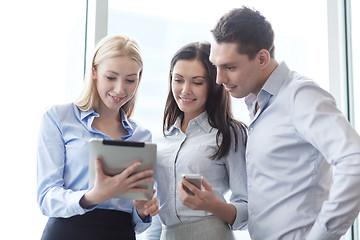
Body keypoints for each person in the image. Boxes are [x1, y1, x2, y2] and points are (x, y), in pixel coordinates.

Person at [209, 6, 360, 240]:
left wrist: (321, 236)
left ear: (262, 58)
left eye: (230, 67)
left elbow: (354, 160)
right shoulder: (259, 104)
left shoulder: (300, 95)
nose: (219, 79)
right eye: (215, 66)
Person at [37, 35, 159, 240]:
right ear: (94, 72)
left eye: (130, 80)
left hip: (119, 234)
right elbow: (46, 197)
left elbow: (138, 225)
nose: (120, 89)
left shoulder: (142, 135)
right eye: (111, 77)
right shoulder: (58, 117)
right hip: (67, 232)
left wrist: (142, 210)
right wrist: (92, 196)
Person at [146, 42, 248, 240]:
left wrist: (212, 205)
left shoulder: (229, 134)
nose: (185, 90)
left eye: (197, 82)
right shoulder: (160, 138)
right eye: (178, 80)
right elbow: (158, 211)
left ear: (214, 85)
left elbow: (247, 209)